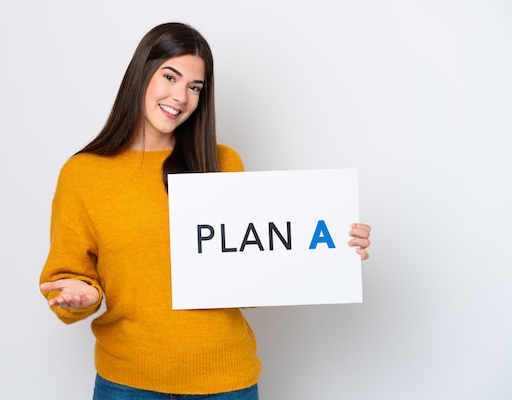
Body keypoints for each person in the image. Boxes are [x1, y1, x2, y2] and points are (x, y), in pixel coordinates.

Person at [39, 22, 372, 400]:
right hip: (127, 383)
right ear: (140, 74)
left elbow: (253, 271)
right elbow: (68, 277)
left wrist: (331, 253)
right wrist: (81, 296)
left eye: (194, 87)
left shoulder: (223, 163)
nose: (180, 96)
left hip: (226, 381)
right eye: (170, 76)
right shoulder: (84, 173)